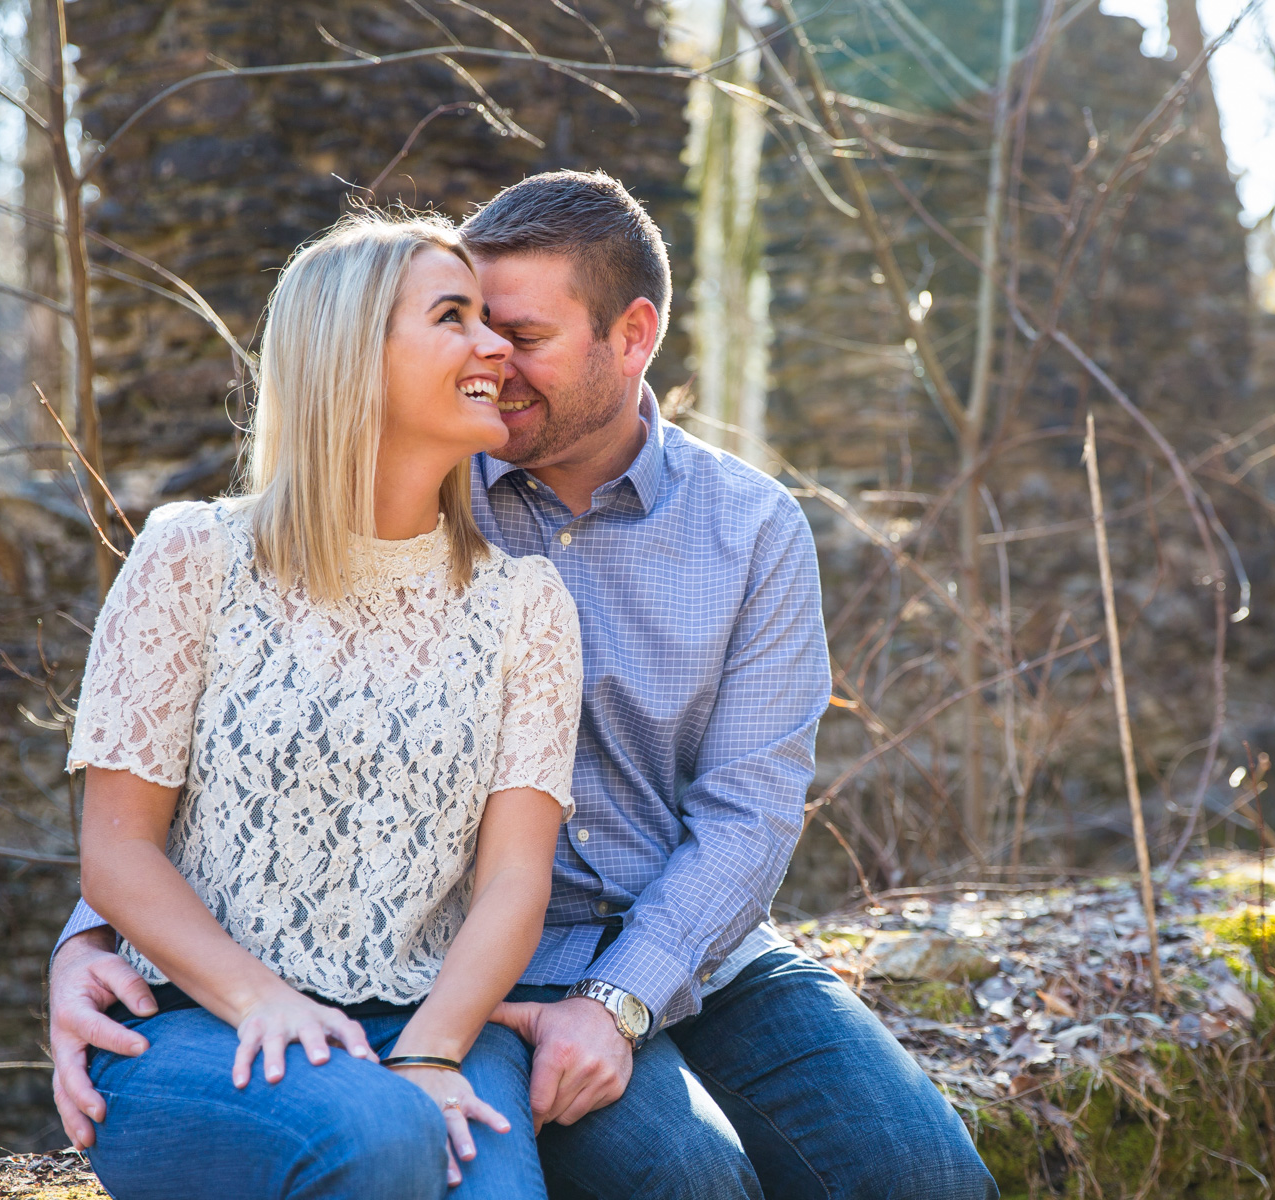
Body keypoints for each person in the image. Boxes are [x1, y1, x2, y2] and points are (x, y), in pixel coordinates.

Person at [49, 171, 998, 1200]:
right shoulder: (421, 485)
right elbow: (241, 754)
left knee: (927, 1177)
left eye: (523, 336)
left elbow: (749, 818)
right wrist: (94, 938)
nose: (493, 359)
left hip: (696, 948)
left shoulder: (750, 528)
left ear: (632, 337)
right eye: (468, 322)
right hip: (499, 967)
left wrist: (619, 1001)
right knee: (689, 1180)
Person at [63, 210, 583, 1199]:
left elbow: (517, 877)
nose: (492, 348)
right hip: (194, 1025)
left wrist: (432, 1052)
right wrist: (260, 998)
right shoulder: (192, 559)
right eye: (453, 317)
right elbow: (118, 851)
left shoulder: (526, 605)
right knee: (379, 1137)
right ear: (349, 353)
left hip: (437, 1022)